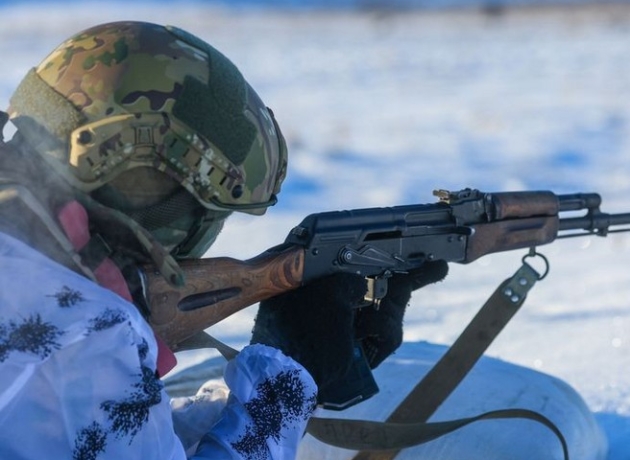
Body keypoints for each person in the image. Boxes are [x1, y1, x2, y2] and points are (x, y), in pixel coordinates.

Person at [0, 20, 446, 459]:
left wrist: (274, 382)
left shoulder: (30, 285)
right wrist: (289, 381)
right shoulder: (82, 331)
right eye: (211, 214)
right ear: (142, 184)